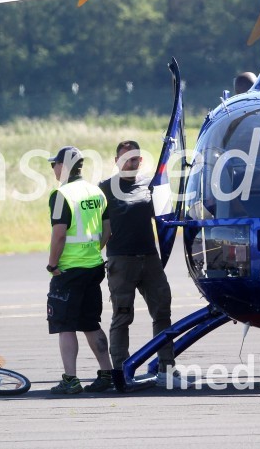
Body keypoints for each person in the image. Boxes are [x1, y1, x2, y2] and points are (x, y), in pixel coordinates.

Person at [99, 140, 185, 387]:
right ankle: (121, 371)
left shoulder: (150, 185)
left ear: (141, 161)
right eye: (125, 159)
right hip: (121, 262)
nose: (130, 163)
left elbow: (166, 215)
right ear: (116, 161)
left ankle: (166, 368)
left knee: (162, 313)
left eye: (134, 159)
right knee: (122, 316)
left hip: (149, 259)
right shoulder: (104, 189)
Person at [46, 146, 114, 394]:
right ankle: (106, 372)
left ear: (63, 167)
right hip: (93, 267)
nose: (53, 169)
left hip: (68, 270)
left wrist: (52, 265)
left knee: (65, 325)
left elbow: (59, 234)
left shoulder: (60, 195)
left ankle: (70, 379)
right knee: (91, 323)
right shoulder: (97, 192)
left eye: (54, 164)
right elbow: (107, 230)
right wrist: (94, 251)